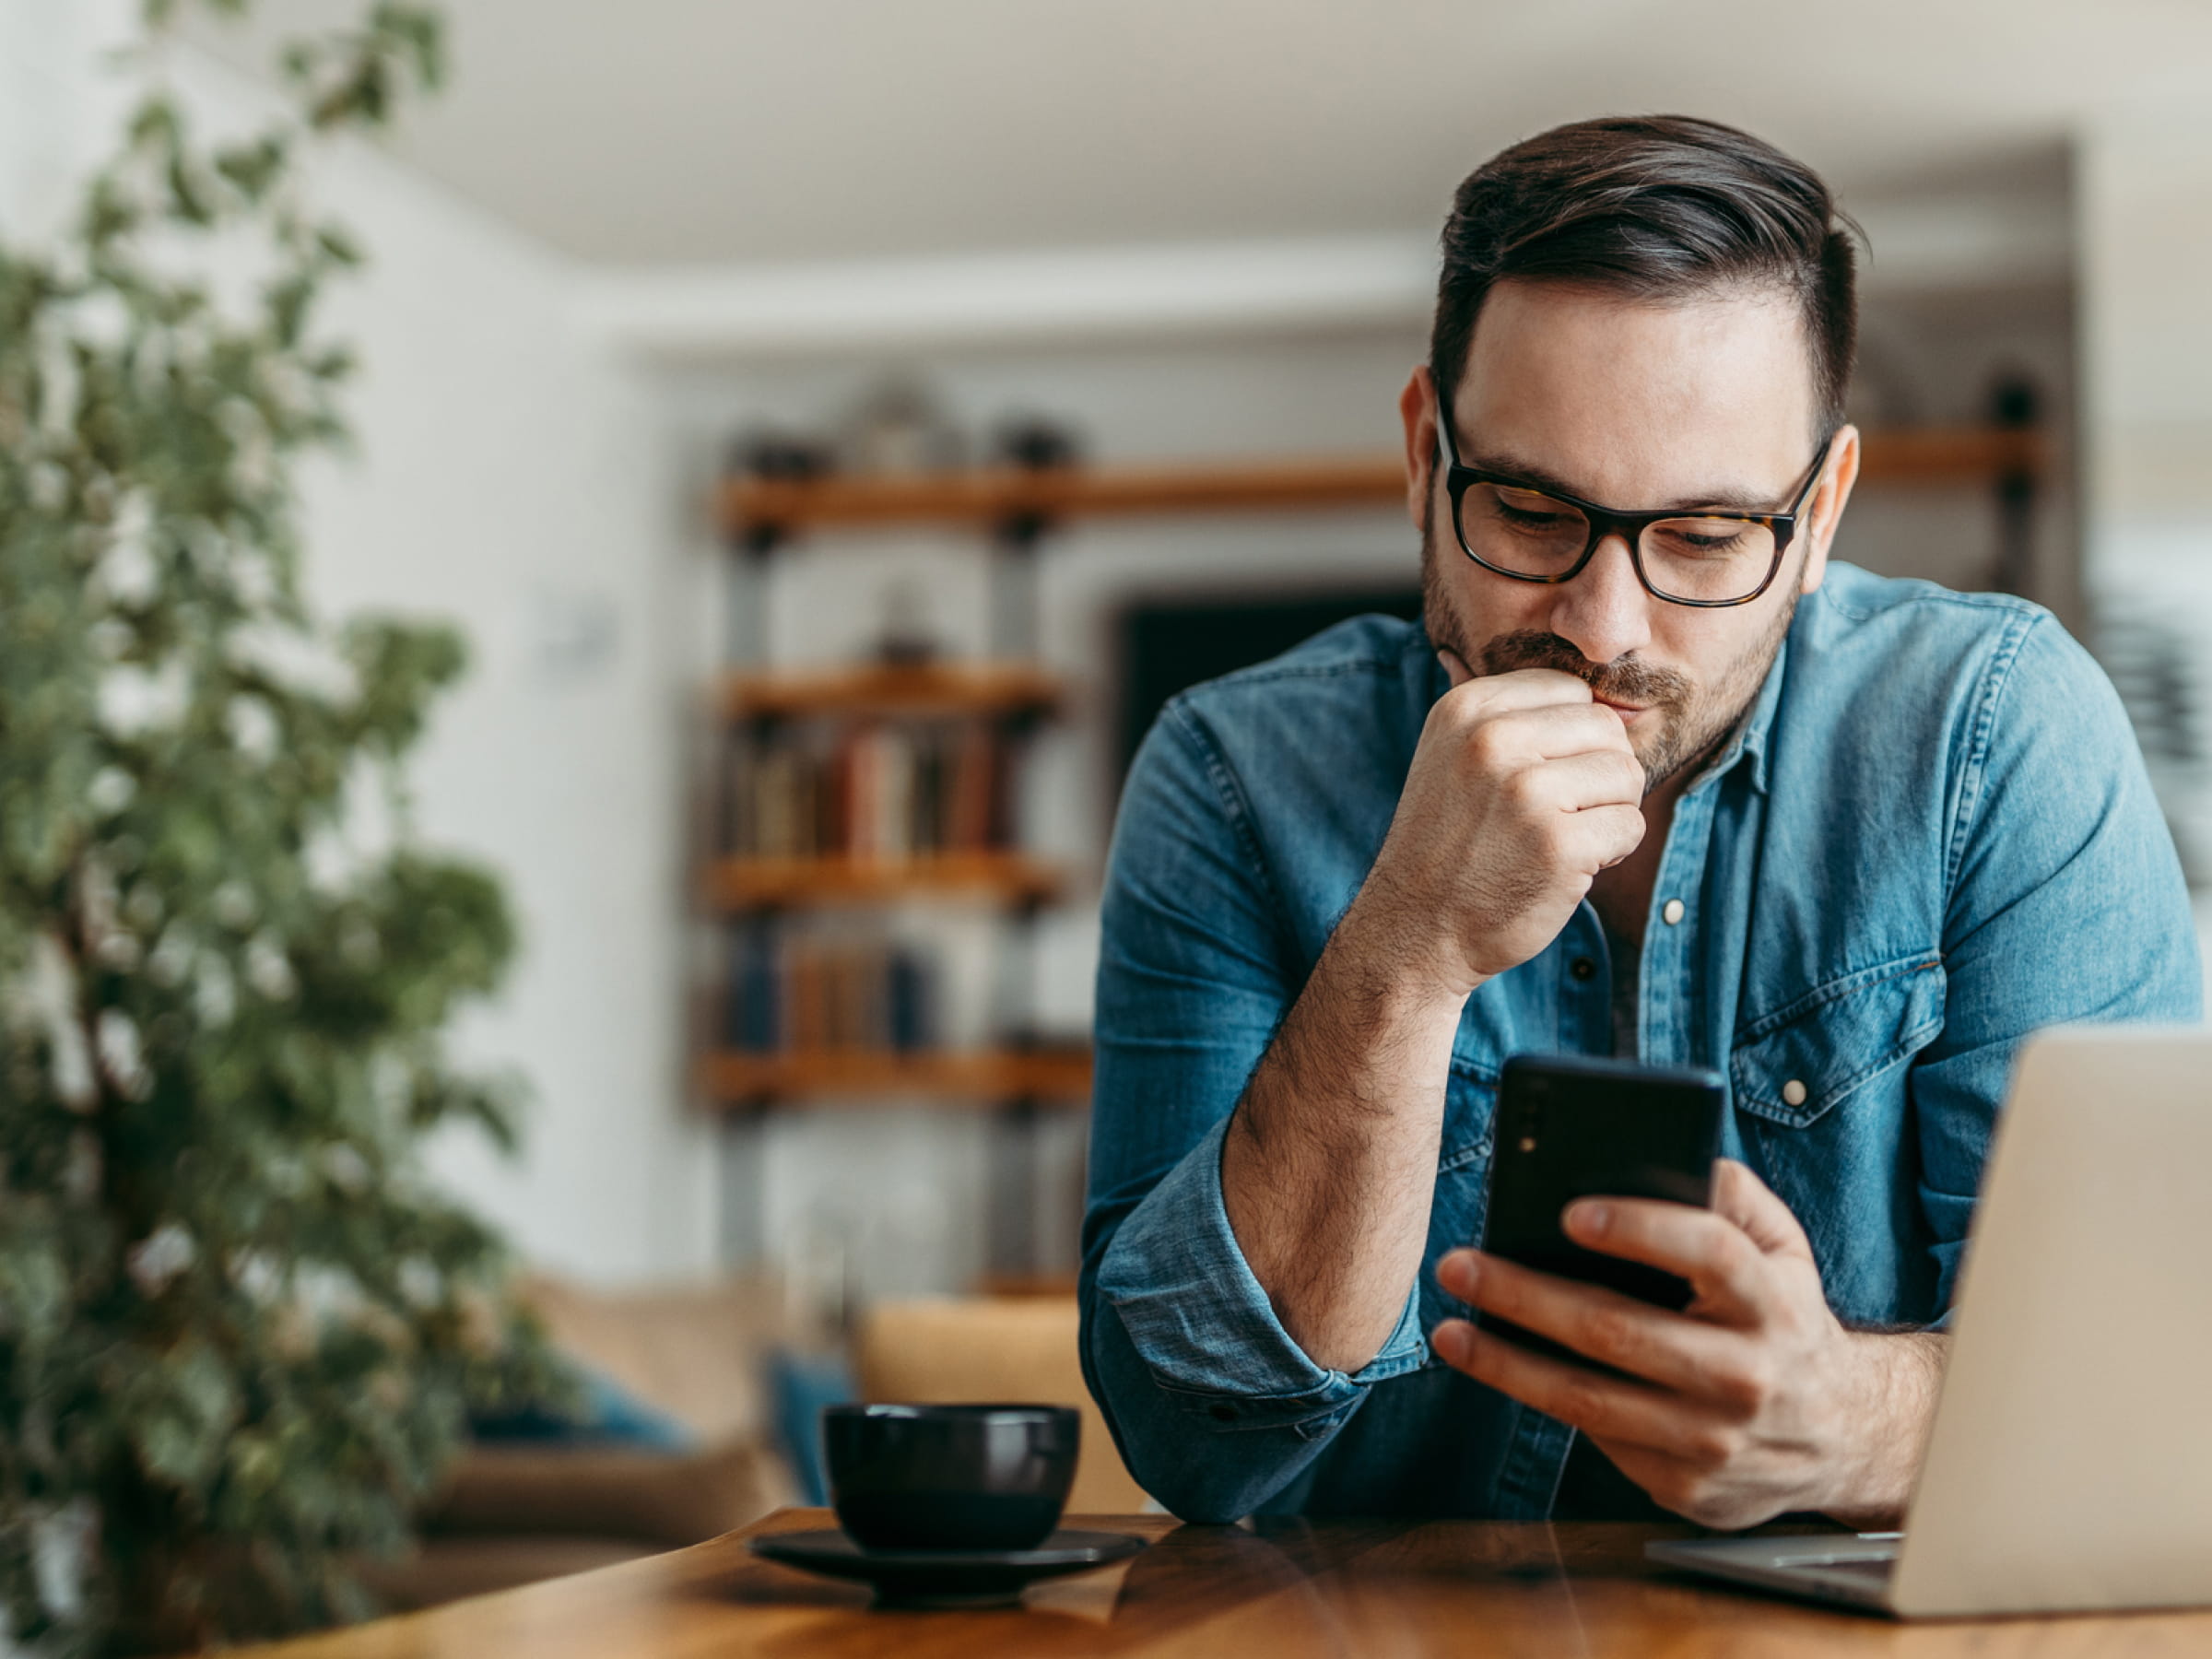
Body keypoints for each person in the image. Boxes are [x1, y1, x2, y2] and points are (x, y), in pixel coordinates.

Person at [1077, 114, 2201, 1528]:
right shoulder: (1229, 776)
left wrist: (1847, 1427)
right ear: (1428, 458)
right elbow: (1193, 1439)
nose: (1604, 626)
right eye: (1535, 512)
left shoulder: (1996, 735)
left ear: (1822, 514)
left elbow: (2155, 1394)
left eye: (1707, 537)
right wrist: (1407, 952)